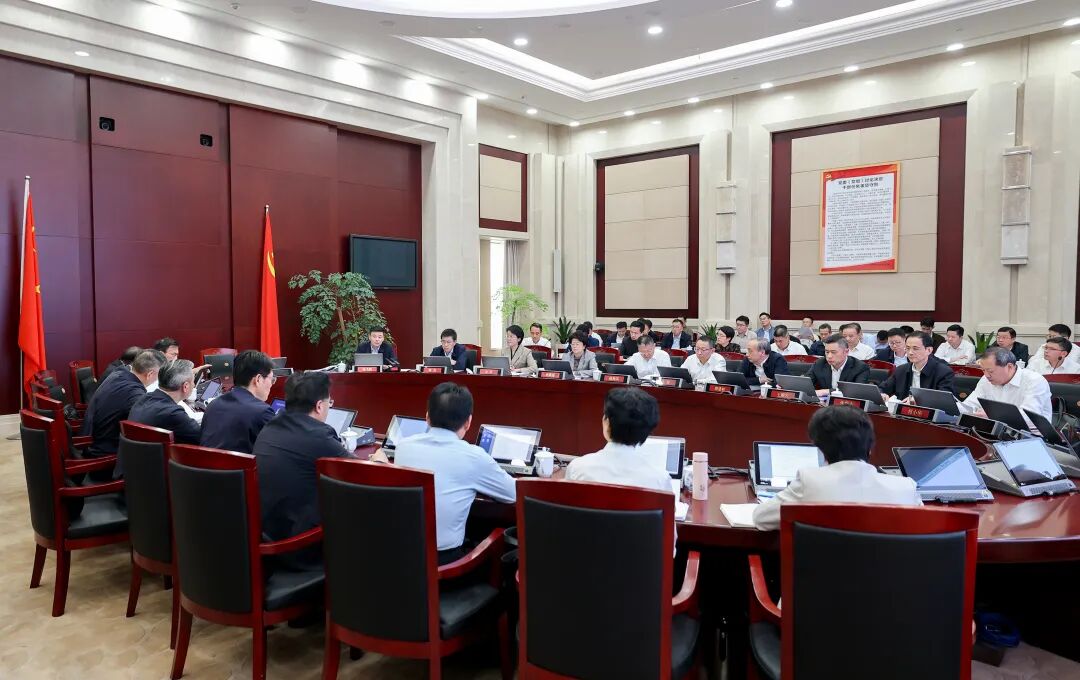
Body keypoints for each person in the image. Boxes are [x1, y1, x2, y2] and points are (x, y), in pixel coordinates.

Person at [384, 382, 515, 564]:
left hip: (399, 555)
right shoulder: (474, 457)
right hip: (444, 564)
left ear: (427, 417)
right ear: (468, 422)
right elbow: (514, 494)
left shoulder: (403, 446)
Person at [752, 406, 922, 531]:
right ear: (870, 447)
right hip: (891, 571)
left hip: (820, 571)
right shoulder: (906, 487)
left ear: (820, 449)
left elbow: (761, 519)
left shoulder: (810, 481)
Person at [253, 371, 350, 569]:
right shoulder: (319, 436)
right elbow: (361, 474)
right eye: (329, 403)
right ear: (319, 406)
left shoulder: (270, 427)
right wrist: (379, 460)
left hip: (263, 538)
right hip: (296, 549)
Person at [566, 388, 677, 540]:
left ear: (606, 422)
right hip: (638, 556)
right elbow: (669, 546)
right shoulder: (659, 479)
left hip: (585, 553)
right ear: (647, 432)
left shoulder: (577, 468)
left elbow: (568, 526)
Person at [81, 349, 166, 464]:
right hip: (104, 451)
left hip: (91, 439)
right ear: (150, 374)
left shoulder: (119, 372)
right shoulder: (134, 392)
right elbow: (150, 423)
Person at [200, 350, 277, 454]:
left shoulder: (213, 405)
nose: (271, 384)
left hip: (206, 464)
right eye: (272, 380)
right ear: (258, 379)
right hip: (240, 465)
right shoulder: (262, 412)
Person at [962, 347, 1052, 423]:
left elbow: (1029, 417)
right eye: (983, 370)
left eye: (990, 371)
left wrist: (993, 415)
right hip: (994, 431)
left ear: (1009, 367)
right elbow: (970, 404)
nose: (986, 375)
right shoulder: (985, 379)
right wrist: (955, 408)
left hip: (1031, 435)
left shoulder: (1034, 381)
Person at [128, 359, 202, 446]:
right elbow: (202, 438)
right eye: (193, 381)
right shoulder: (173, 413)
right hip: (157, 454)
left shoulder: (144, 398)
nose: (194, 385)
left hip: (134, 453)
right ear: (185, 386)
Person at [879, 332, 955, 401]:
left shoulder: (943, 372)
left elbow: (944, 399)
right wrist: (882, 394)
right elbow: (882, 388)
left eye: (915, 349)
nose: (910, 352)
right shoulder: (901, 370)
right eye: (907, 348)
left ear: (929, 350)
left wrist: (918, 400)